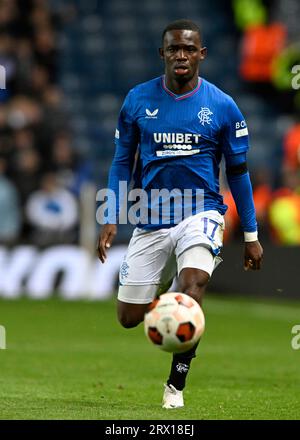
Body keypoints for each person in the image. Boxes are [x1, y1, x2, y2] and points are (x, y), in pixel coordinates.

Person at [97, 19, 263, 409]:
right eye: (174, 49)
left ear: (202, 54)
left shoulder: (222, 106)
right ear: (163, 54)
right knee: (128, 318)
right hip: (152, 216)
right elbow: (122, 161)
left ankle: (175, 385)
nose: (182, 55)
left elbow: (238, 173)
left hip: (201, 212)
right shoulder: (138, 100)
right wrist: (111, 213)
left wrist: (251, 235)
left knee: (193, 286)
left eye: (189, 49)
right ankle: (168, 296)